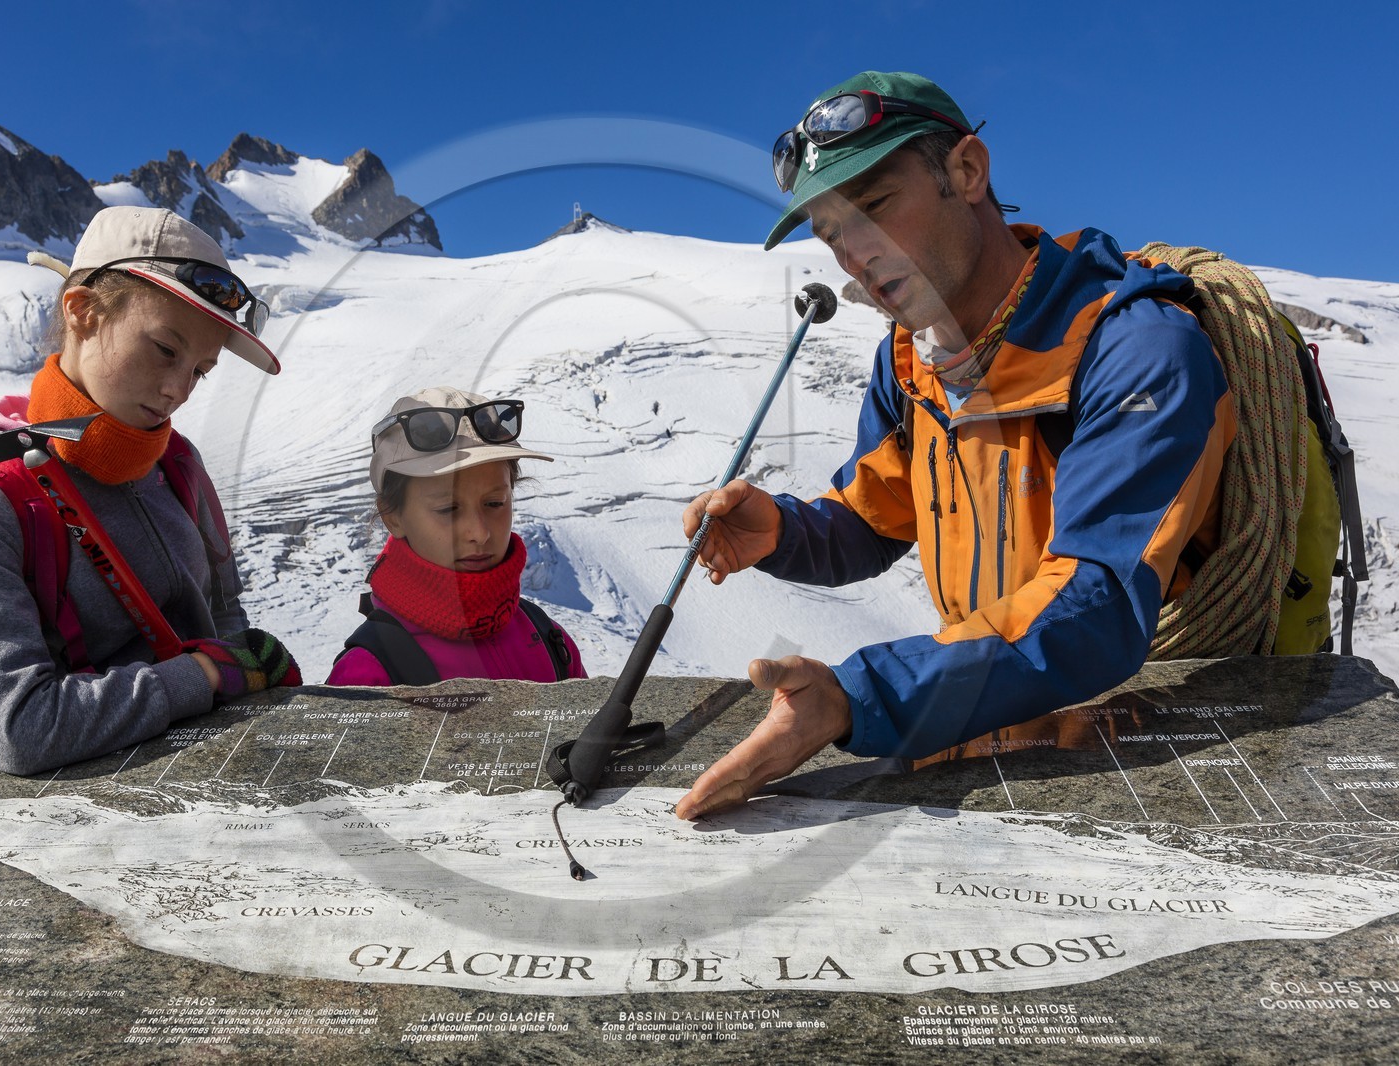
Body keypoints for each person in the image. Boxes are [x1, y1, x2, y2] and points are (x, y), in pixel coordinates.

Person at [675, 71, 1236, 820]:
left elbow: (1098, 600)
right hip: (987, 723)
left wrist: (858, 698)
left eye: (874, 207)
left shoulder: (1137, 348)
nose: (856, 255)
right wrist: (782, 531)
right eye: (832, 232)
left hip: (1155, 735)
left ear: (967, 171)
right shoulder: (911, 363)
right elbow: (873, 520)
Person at [0, 206, 302, 776]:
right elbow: (22, 729)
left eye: (201, 370)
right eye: (164, 349)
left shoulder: (178, 462)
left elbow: (222, 611)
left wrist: (236, 665)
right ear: (82, 312)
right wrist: (204, 675)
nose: (179, 391)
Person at [325, 386, 586, 686]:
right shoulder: (367, 675)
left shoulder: (548, 637)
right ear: (392, 517)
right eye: (448, 509)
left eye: (494, 504)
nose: (480, 532)